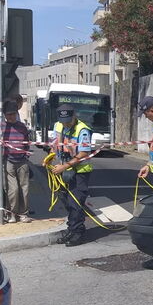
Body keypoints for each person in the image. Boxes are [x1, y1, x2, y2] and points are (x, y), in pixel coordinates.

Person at [51, 104, 94, 246]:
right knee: (67, 202)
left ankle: (78, 233)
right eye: (63, 120)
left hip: (79, 171)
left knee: (75, 203)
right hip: (65, 170)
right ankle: (72, 229)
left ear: (74, 115)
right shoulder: (58, 126)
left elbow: (84, 153)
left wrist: (64, 166)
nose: (66, 123)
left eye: (68, 120)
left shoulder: (82, 130)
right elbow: (55, 144)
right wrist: (50, 157)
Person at [1, 100, 32, 223]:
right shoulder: (1, 127)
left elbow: (27, 142)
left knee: (24, 189)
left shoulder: (22, 127)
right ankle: (12, 213)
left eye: (13, 114)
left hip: (22, 160)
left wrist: (26, 154)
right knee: (12, 189)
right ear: (5, 115)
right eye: (8, 114)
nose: (11, 117)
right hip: (8, 161)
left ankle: (23, 213)